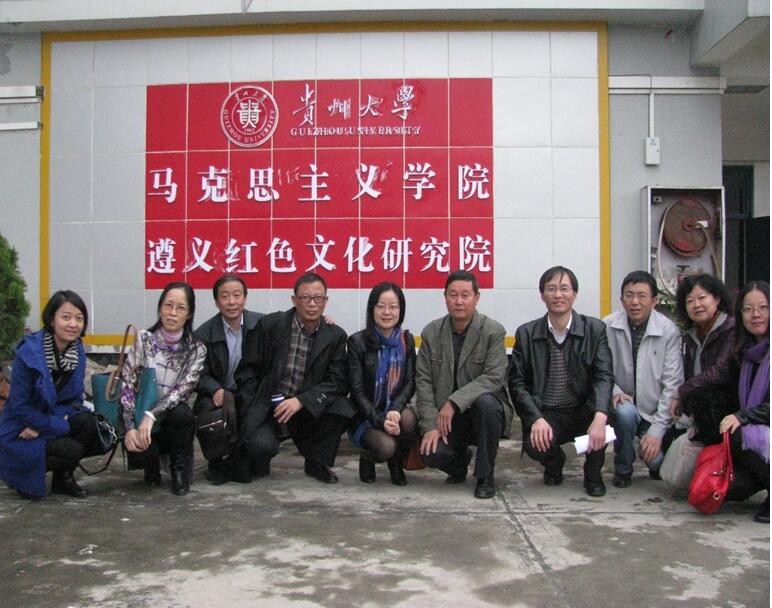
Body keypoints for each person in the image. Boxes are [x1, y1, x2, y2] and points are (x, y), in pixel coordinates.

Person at [235, 272, 352, 484]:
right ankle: (260, 456)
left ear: (325, 301)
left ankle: (316, 462)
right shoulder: (271, 325)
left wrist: (302, 401)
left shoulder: (335, 335)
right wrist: (251, 404)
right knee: (260, 449)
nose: (312, 304)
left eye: (318, 298)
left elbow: (338, 381)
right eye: (305, 298)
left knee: (342, 408)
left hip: (306, 409)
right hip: (270, 407)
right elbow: (247, 370)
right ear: (294, 300)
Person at [508, 266, 614, 497]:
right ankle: (554, 461)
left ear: (574, 294)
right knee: (535, 445)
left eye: (564, 289)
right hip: (548, 412)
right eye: (551, 289)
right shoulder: (526, 333)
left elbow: (604, 375)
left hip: (583, 409)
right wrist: (535, 418)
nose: (558, 295)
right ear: (542, 295)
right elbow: (517, 383)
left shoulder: (594, 329)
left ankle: (593, 474)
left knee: (605, 419)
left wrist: (600, 416)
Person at [415, 270, 514, 499]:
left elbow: (494, 377)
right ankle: (459, 463)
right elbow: (424, 382)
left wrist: (453, 402)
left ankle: (485, 476)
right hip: (447, 420)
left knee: (487, 403)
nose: (459, 301)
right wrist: (430, 425)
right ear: (445, 297)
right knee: (431, 453)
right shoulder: (431, 332)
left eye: (465, 295)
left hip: (483, 416)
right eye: (453, 295)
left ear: (476, 298)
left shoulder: (493, 331)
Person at [0, 290, 101, 500]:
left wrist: (45, 424)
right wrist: (56, 424)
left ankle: (62, 480)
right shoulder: (29, 354)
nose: (73, 324)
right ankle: (23, 477)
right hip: (20, 427)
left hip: (45, 421)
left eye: (79, 318)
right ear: (52, 319)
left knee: (89, 424)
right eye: (66, 317)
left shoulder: (77, 352)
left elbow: (74, 400)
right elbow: (19, 406)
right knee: (70, 449)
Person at [120, 282, 206, 496]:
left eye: (180, 308)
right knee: (140, 453)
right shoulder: (143, 340)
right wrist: (129, 427)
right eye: (168, 305)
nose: (173, 313)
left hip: (170, 420)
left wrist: (152, 415)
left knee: (183, 413)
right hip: (142, 418)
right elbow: (127, 383)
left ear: (189, 314)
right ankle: (150, 466)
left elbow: (183, 390)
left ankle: (178, 471)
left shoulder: (196, 349)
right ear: (160, 308)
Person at [696, 281, 769, 523]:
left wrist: (742, 416)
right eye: (748, 309)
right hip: (760, 435)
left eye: (763, 307)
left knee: (738, 431)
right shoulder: (745, 353)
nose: (755, 314)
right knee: (731, 487)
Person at [603, 271, 683, 487]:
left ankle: (651, 453)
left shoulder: (668, 331)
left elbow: (672, 384)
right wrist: (616, 392)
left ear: (654, 301)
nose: (635, 302)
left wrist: (656, 433)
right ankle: (623, 468)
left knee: (658, 464)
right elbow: (601, 370)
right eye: (629, 295)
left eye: (641, 296)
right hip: (622, 405)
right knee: (625, 413)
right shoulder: (607, 326)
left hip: (654, 411)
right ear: (621, 299)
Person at [193, 274, 263, 485]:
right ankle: (216, 461)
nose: (231, 302)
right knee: (207, 412)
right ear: (216, 302)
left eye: (237, 295)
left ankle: (245, 458)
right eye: (225, 296)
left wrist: (324, 321)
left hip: (249, 393)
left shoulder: (261, 324)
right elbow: (197, 373)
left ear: (245, 298)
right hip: (218, 395)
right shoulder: (203, 334)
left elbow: (292, 323)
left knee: (263, 446)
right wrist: (214, 389)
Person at [347, 282, 417, 485]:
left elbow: (410, 382)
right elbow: (357, 391)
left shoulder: (407, 340)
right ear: (372, 309)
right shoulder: (357, 342)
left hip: (392, 409)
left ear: (400, 310)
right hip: (365, 416)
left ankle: (396, 463)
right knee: (385, 447)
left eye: (393, 307)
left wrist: (395, 409)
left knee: (409, 420)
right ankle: (367, 457)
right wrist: (380, 420)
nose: (387, 312)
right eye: (381, 306)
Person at [669, 274, 736, 446]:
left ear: (717, 299)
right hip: (699, 413)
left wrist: (681, 392)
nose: (696, 305)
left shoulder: (732, 329)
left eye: (702, 297)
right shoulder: (691, 335)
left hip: (725, 412)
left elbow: (719, 372)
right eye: (690, 301)